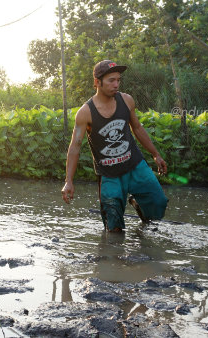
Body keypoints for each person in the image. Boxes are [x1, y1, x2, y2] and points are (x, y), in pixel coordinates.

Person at [61, 60, 169, 232]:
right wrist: (69, 181)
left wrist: (155, 154)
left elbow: (138, 128)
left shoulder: (126, 101)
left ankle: (139, 206)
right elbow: (75, 146)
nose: (116, 84)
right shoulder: (85, 112)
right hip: (109, 174)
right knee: (114, 228)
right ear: (97, 82)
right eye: (111, 80)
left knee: (159, 202)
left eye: (118, 80)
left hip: (134, 165)